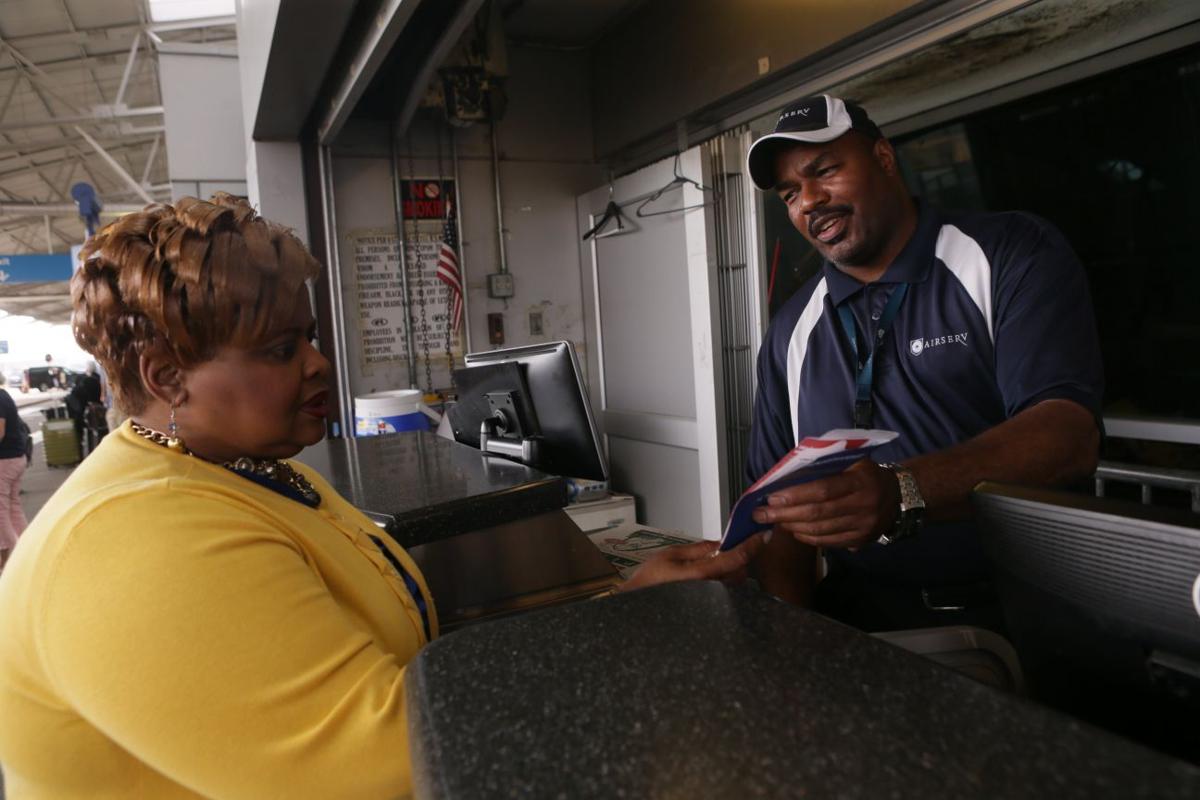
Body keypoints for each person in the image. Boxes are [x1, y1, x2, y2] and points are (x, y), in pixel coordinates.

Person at [0, 194, 762, 798]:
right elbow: (377, 761)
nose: (318, 364)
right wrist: (622, 642)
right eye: (278, 350)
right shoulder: (134, 540)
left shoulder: (246, 469)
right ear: (168, 378)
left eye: (308, 337)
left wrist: (620, 605)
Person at [742, 95, 1103, 632]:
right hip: (861, 623)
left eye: (825, 171)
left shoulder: (1008, 252)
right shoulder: (790, 331)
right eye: (790, 193)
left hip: (1023, 617)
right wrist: (786, 647)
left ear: (885, 159)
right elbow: (779, 518)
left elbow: (1067, 434)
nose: (808, 202)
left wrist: (902, 489)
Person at [0, 374, 28, 572]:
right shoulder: (4, 395)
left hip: (5, 460)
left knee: (1, 512)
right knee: (13, 507)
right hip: (17, 457)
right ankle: (28, 550)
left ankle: (16, 560)